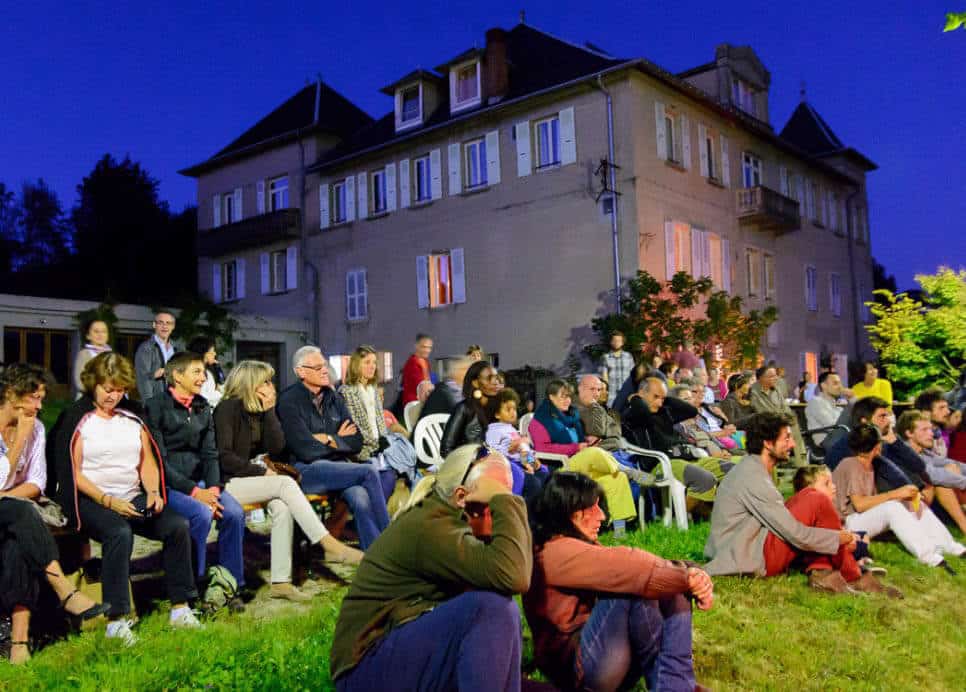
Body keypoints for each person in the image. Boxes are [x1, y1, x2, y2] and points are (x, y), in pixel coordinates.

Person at [330, 446, 531, 692]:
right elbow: (514, 575)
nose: (498, 514)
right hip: (365, 670)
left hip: (404, 651)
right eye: (495, 501)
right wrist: (508, 503)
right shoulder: (432, 527)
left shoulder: (450, 521)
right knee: (492, 608)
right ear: (461, 497)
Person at [49, 352, 198, 644]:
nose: (113, 396)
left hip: (131, 496)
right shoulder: (78, 418)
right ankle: (116, 621)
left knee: (177, 526)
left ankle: (181, 608)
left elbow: (148, 461)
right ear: (93, 383)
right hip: (90, 500)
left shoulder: (133, 416)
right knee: (118, 532)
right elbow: (73, 473)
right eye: (107, 389)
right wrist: (107, 501)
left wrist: (153, 491)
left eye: (119, 390)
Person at [525, 472, 713, 691]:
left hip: (604, 657)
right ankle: (676, 684)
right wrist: (687, 576)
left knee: (664, 583)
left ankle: (676, 684)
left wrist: (690, 573)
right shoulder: (552, 552)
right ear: (568, 510)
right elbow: (628, 564)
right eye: (592, 508)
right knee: (639, 583)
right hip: (578, 671)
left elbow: (640, 568)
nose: (602, 516)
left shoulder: (575, 546)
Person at [214, 360, 362, 602]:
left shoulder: (259, 411)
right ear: (251, 383)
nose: (271, 386)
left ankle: (281, 582)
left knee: (283, 508)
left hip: (251, 480)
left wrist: (270, 411)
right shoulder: (227, 409)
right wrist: (260, 472)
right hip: (228, 482)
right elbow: (224, 458)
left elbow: (277, 447)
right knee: (285, 484)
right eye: (266, 381)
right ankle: (328, 544)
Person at [0, 364, 113, 664]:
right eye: (33, 398)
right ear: (11, 394)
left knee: (16, 546)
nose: (39, 406)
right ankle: (63, 588)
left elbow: (36, 483)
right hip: (12, 509)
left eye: (41, 399)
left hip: (10, 512)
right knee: (20, 512)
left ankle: (19, 644)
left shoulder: (36, 428)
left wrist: (6, 499)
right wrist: (20, 440)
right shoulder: (27, 430)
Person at [704, 413, 859, 592]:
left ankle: (822, 571)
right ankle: (852, 575)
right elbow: (796, 534)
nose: (792, 444)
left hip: (752, 546)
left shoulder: (755, 468)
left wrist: (837, 537)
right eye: (786, 439)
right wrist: (837, 538)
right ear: (768, 444)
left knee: (811, 497)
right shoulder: (752, 477)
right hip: (749, 556)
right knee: (815, 498)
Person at [144, 351, 247, 605]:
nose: (203, 377)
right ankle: (194, 586)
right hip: (169, 484)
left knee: (233, 513)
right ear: (177, 376)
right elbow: (158, 461)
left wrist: (212, 488)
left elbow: (210, 454)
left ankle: (230, 584)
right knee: (200, 514)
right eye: (197, 372)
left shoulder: (202, 407)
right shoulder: (155, 407)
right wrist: (195, 492)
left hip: (201, 482)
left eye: (203, 371)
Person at [276, 346, 389, 550]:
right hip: (306, 470)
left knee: (361, 498)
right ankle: (391, 544)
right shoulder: (288, 400)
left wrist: (328, 438)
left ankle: (374, 556)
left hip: (337, 467)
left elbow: (356, 441)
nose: (325, 370)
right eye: (318, 367)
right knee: (369, 471)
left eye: (325, 366)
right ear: (300, 371)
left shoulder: (333, 398)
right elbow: (304, 450)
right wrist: (338, 442)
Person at [833, 424, 965, 570]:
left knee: (909, 502)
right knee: (892, 507)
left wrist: (904, 494)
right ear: (877, 446)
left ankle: (952, 547)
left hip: (859, 518)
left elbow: (908, 470)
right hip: (846, 524)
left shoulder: (871, 462)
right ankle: (930, 557)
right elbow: (859, 505)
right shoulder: (851, 464)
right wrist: (895, 494)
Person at [531, 379, 637, 525]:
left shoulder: (572, 417)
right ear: (551, 396)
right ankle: (629, 471)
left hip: (579, 465)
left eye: (569, 396)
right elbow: (541, 449)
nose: (568, 400)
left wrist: (587, 441)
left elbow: (578, 441)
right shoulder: (540, 421)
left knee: (617, 478)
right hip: (558, 469)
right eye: (563, 396)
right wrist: (576, 448)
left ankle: (619, 534)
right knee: (594, 453)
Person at [786, 466, 899, 596]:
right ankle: (851, 576)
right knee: (836, 542)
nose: (833, 486)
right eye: (826, 483)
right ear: (808, 491)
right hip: (806, 557)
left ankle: (856, 570)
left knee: (849, 539)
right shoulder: (812, 508)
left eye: (832, 482)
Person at [623, 377, 728, 511]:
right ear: (642, 394)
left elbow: (691, 411)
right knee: (705, 479)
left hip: (687, 457)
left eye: (662, 399)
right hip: (662, 464)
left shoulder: (664, 411)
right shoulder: (634, 414)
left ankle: (713, 515)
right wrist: (635, 399)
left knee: (731, 470)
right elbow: (643, 411)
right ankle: (678, 520)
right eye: (655, 397)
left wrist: (664, 397)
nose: (660, 403)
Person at [339, 345, 410, 501]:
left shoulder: (374, 390)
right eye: (367, 362)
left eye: (374, 362)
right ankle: (374, 519)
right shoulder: (346, 392)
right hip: (361, 453)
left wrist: (384, 442)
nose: (372, 366)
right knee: (380, 478)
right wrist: (377, 444)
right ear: (356, 364)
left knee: (394, 475)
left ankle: (375, 518)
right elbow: (355, 426)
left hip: (380, 452)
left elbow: (380, 424)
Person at [573, 374, 657, 486]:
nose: (598, 393)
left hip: (619, 451)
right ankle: (631, 473)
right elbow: (598, 431)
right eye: (594, 389)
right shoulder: (580, 409)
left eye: (600, 390)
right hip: (603, 454)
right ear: (580, 390)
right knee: (631, 477)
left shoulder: (611, 412)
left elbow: (617, 434)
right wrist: (595, 406)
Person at [895, 410, 966, 535]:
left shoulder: (924, 452)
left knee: (951, 467)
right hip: (904, 504)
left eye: (930, 429)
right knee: (939, 482)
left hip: (925, 501)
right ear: (909, 433)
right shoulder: (904, 453)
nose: (931, 434)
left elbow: (950, 463)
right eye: (924, 430)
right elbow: (933, 475)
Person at [485, 387, 548, 501]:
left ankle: (540, 513)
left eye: (514, 409)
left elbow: (523, 450)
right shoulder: (494, 430)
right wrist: (513, 447)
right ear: (497, 414)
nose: (513, 412)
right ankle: (526, 513)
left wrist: (531, 461)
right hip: (510, 467)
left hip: (523, 461)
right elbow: (494, 453)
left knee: (545, 475)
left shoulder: (511, 429)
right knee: (534, 484)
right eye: (508, 410)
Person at [439, 361, 498, 457]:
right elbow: (446, 450)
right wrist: (470, 463)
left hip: (495, 462)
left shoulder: (498, 409)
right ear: (475, 383)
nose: (495, 382)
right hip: (470, 466)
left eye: (496, 378)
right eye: (489, 378)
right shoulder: (464, 409)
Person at [749, 365, 806, 466]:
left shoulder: (776, 389)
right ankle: (788, 460)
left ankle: (800, 462)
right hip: (766, 423)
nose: (775, 378)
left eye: (775, 376)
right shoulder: (754, 391)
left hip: (780, 420)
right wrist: (782, 417)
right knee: (784, 428)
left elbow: (785, 408)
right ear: (761, 378)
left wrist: (789, 418)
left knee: (794, 424)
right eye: (771, 376)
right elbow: (763, 411)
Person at [134, 310, 177, 401]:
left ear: (173, 326)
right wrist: (149, 404)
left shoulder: (177, 348)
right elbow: (142, 378)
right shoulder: (146, 348)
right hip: (156, 401)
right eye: (160, 322)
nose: (164, 326)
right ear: (154, 325)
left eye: (168, 323)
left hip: (174, 400)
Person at [73, 318, 112, 398]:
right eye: (96, 331)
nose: (100, 335)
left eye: (104, 331)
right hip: (89, 397)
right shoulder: (84, 354)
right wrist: (97, 392)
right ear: (88, 335)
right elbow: (79, 381)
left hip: (110, 398)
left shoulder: (112, 355)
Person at [805, 372, 848, 445]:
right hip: (828, 440)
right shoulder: (816, 402)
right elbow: (833, 425)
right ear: (823, 385)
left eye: (840, 383)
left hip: (839, 438)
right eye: (835, 383)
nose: (840, 387)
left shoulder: (837, 407)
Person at [187, 336, 225, 408]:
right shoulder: (195, 372)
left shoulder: (210, 371)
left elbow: (222, 386)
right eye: (212, 352)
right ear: (204, 353)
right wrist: (219, 393)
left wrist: (218, 369)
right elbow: (203, 396)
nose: (215, 354)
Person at [598, 331, 634, 408]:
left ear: (622, 343)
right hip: (612, 397)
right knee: (613, 418)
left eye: (619, 341)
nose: (616, 342)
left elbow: (633, 375)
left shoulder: (629, 356)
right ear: (611, 342)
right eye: (614, 340)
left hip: (627, 396)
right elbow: (604, 378)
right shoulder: (605, 358)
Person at [915, 388, 952, 456]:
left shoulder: (946, 432)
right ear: (926, 411)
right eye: (941, 408)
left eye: (947, 407)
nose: (948, 412)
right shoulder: (918, 438)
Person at [400, 334, 433, 406]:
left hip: (423, 402)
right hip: (413, 404)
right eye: (424, 347)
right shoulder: (412, 363)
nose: (427, 350)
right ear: (416, 346)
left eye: (429, 348)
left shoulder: (425, 362)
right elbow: (422, 386)